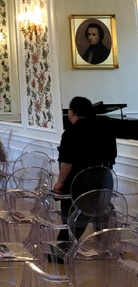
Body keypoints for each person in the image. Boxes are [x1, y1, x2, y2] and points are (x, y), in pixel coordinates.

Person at [53, 96, 117, 239]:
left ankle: (65, 245)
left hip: (77, 185)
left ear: (72, 112)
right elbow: (111, 158)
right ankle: (102, 239)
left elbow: (67, 162)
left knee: (71, 218)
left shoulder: (71, 132)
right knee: (95, 210)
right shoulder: (107, 129)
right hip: (102, 183)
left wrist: (59, 183)